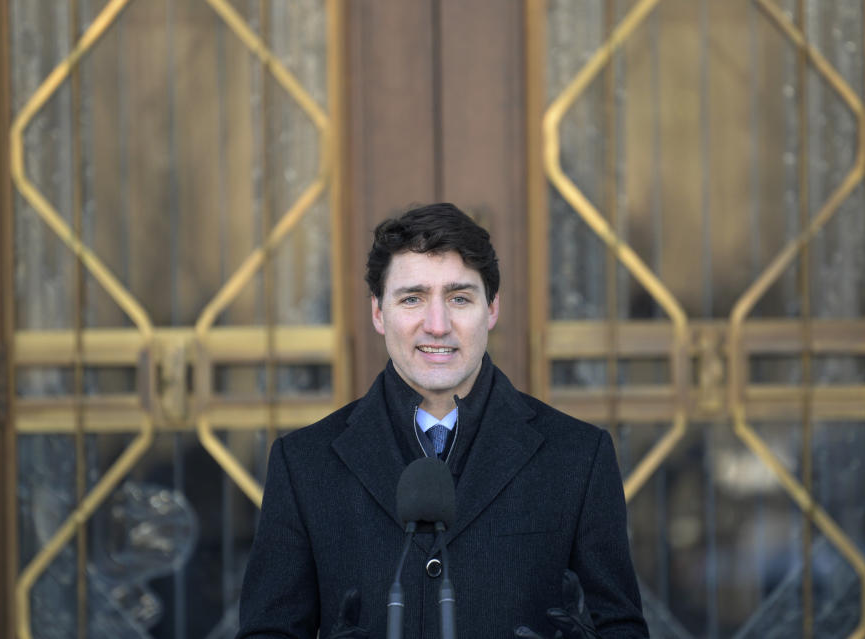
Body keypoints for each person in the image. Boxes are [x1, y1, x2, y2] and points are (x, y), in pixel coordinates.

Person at [237, 203, 648, 638]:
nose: (437, 325)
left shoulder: (578, 457)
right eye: (412, 298)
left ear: (491, 309)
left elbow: (620, 626)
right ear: (378, 312)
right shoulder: (303, 464)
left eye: (459, 298)